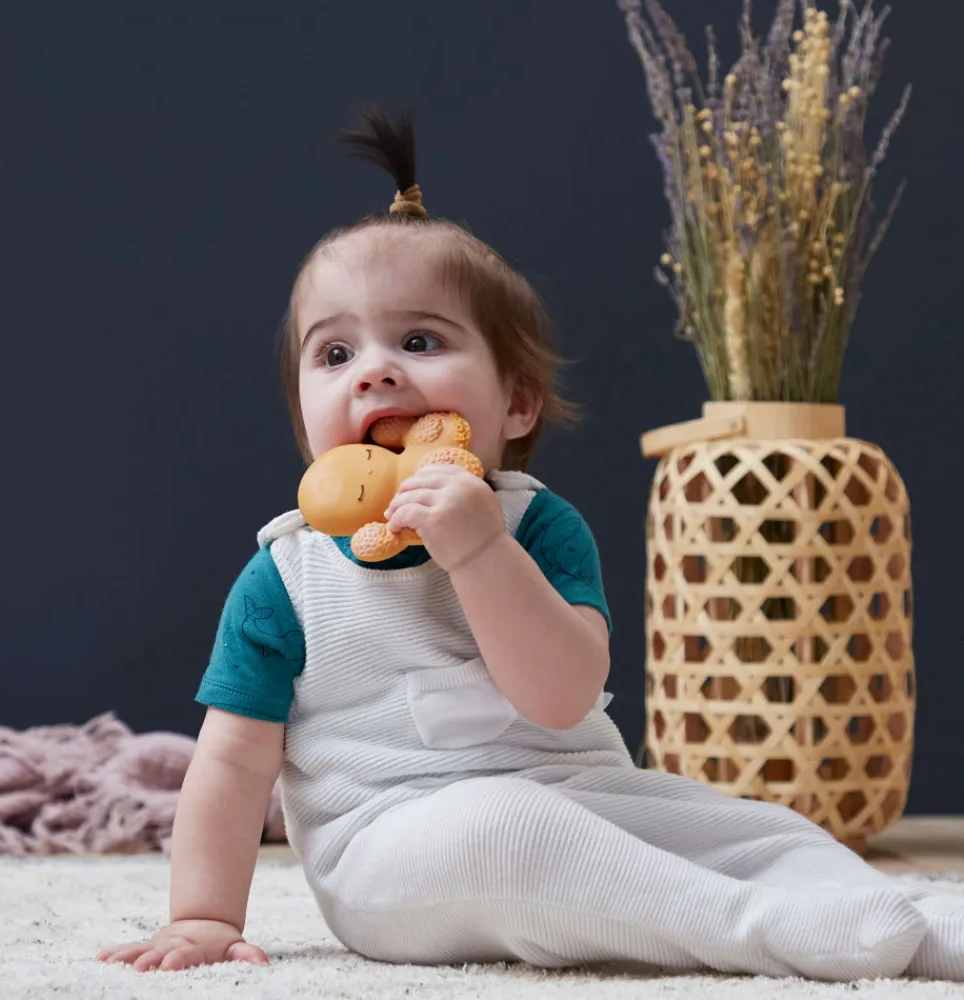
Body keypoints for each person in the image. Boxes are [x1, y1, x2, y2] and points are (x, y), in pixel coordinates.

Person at [98, 111, 963, 982]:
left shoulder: (536, 528)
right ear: (305, 421)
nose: (373, 370)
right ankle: (755, 929)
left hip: (586, 796)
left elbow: (561, 698)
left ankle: (913, 925)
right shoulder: (286, 577)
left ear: (516, 405)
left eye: (420, 340)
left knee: (754, 828)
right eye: (333, 353)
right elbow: (233, 760)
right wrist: (205, 915)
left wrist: (480, 552)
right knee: (508, 830)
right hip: (399, 852)